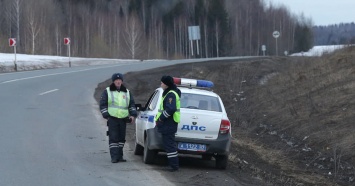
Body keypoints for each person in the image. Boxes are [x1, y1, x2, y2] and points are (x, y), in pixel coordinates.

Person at [100, 73, 137, 163]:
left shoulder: (127, 92)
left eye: (120, 80)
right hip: (112, 118)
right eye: (116, 80)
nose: (118, 81)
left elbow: (131, 105)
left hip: (123, 119)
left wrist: (132, 115)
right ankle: (114, 157)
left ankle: (120, 156)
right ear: (113, 81)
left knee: (121, 138)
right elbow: (103, 104)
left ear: (122, 81)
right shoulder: (107, 91)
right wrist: (106, 116)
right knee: (113, 138)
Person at [155, 75, 181, 172]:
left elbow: (171, 109)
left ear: (166, 84)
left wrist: (161, 118)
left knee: (170, 145)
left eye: (162, 82)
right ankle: (173, 165)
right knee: (169, 144)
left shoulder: (171, 94)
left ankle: (174, 166)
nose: (161, 84)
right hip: (169, 123)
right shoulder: (170, 92)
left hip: (169, 123)